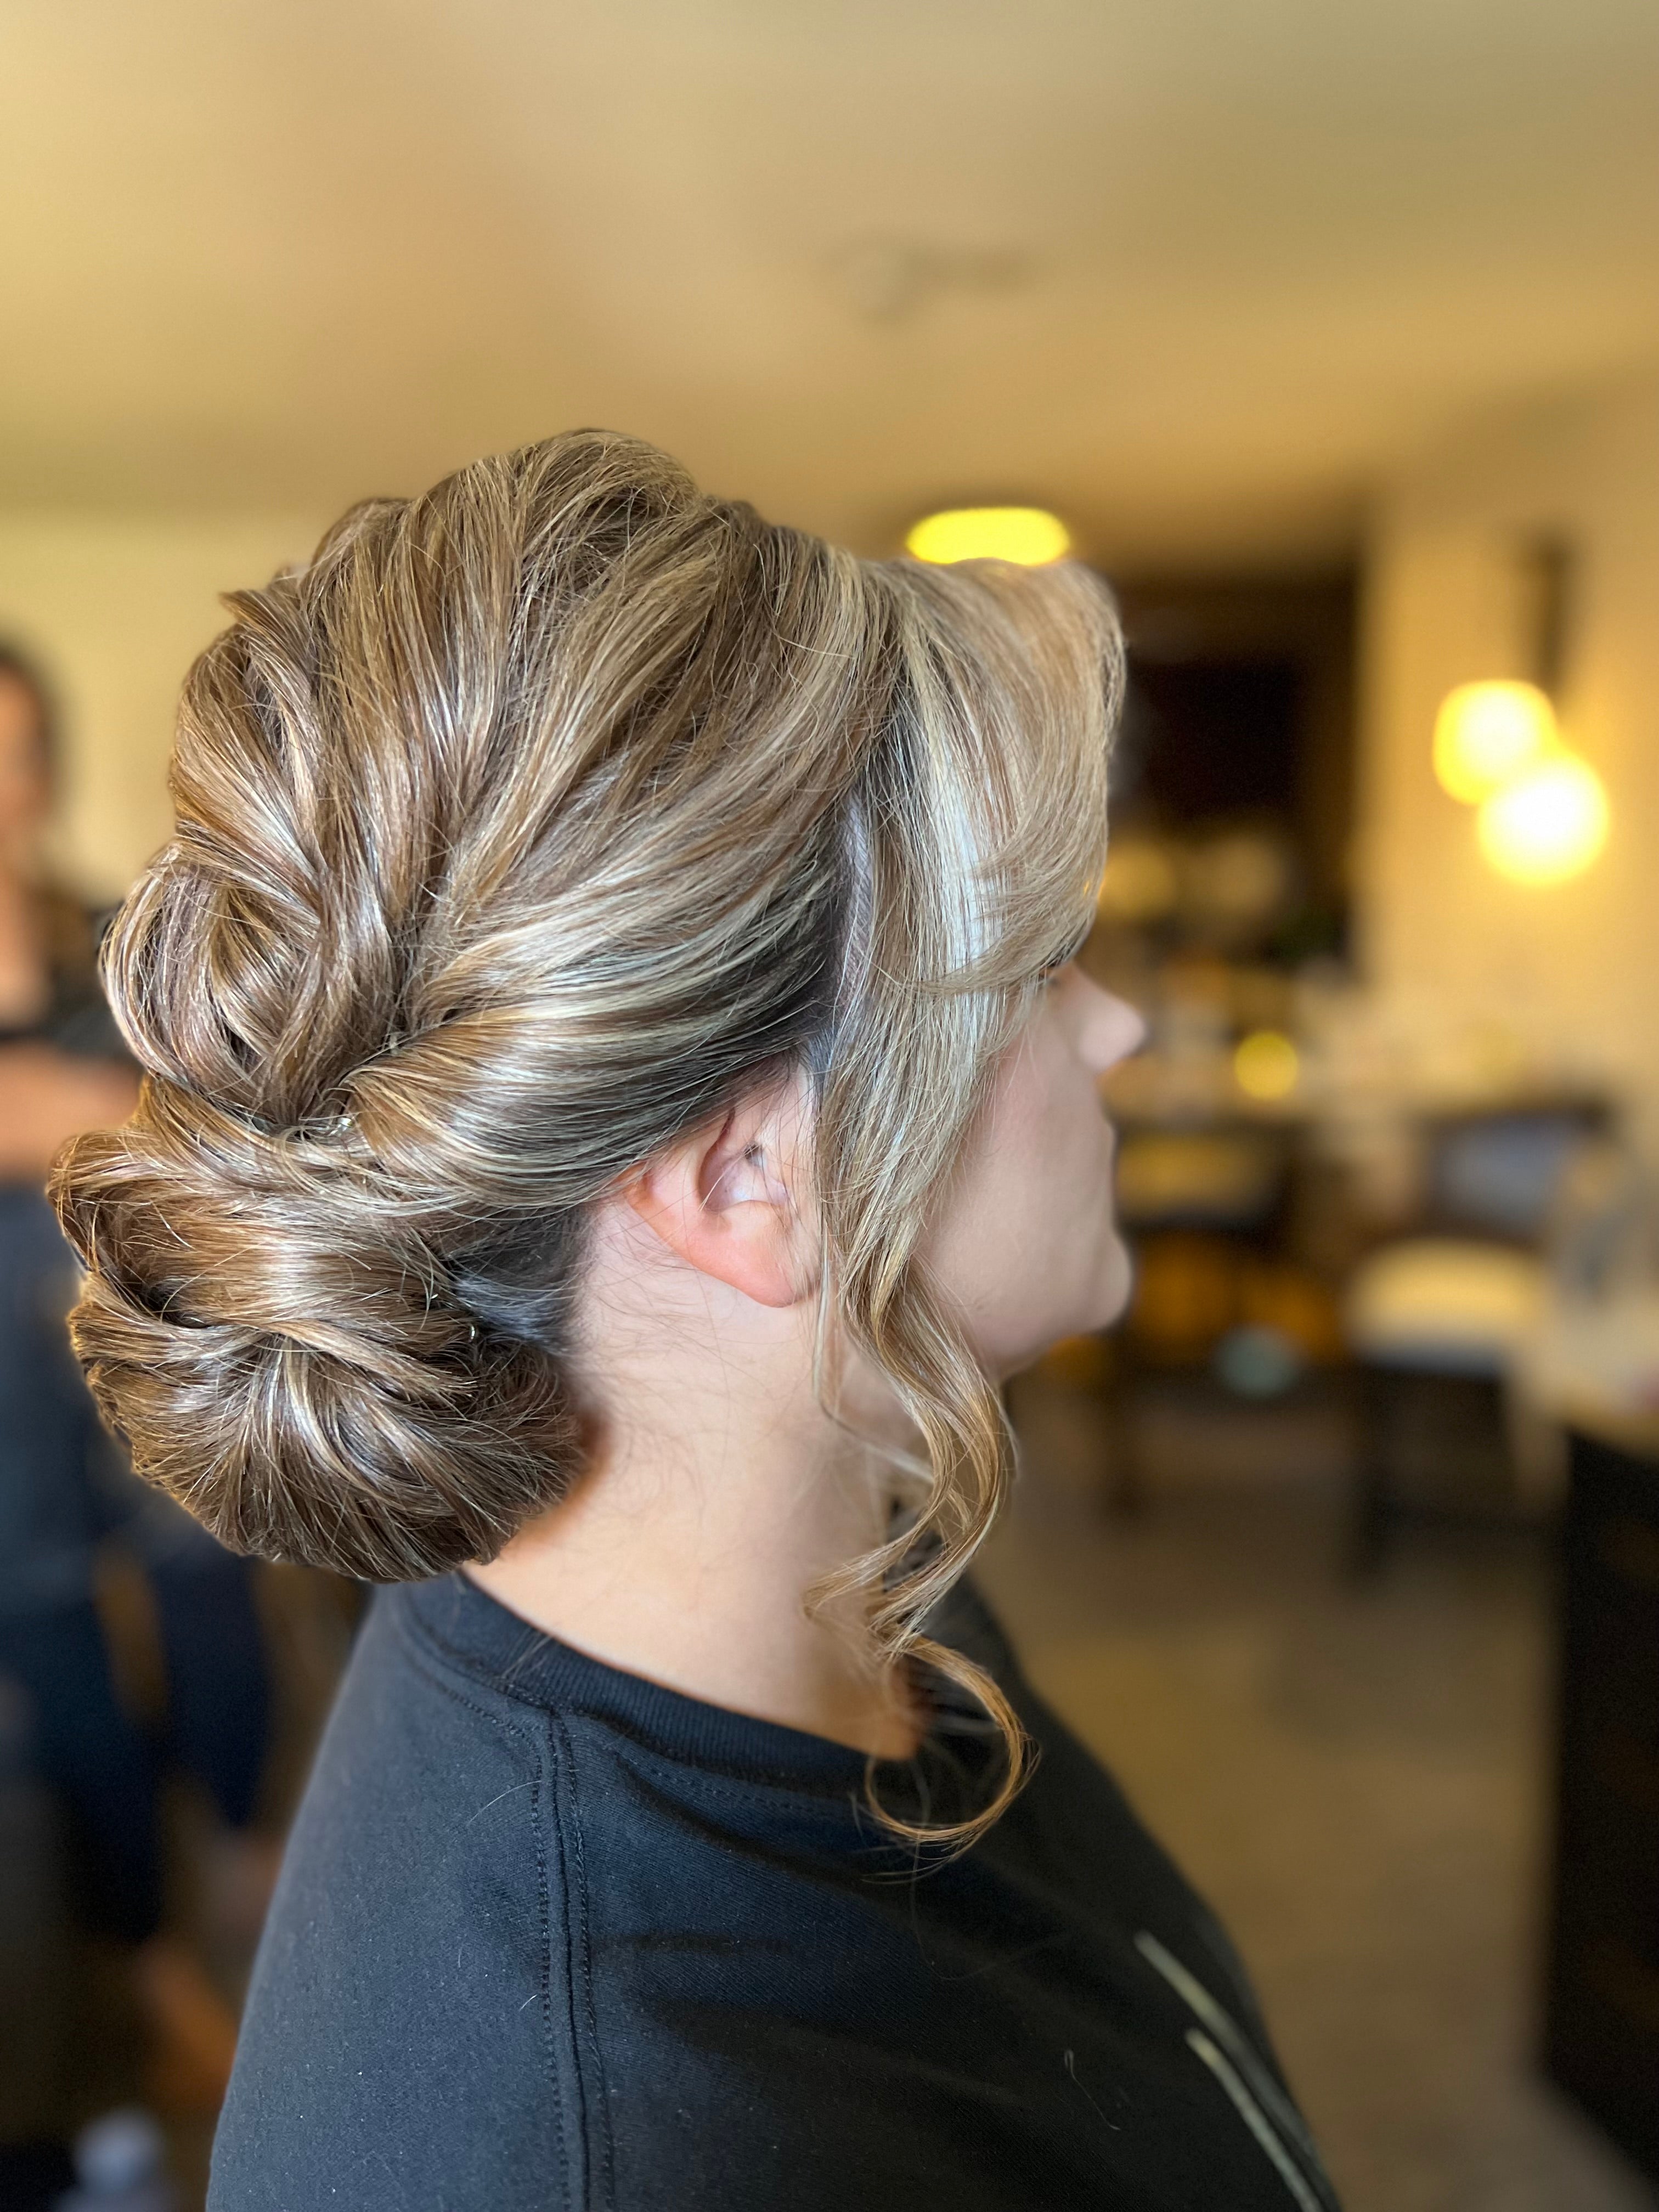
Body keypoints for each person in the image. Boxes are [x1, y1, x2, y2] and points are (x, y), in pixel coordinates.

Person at [54, 436, 1342, 2210]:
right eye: (1040, 964)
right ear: (749, 1177)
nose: (1113, 1035)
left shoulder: (851, 1590)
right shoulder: (635, 2146)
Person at [0, 645, 271, 2153]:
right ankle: (159, 1988)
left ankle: (251, 1872)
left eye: (21, 752)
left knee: (217, 1608)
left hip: (144, 1350)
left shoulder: (114, 942)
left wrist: (80, 1112)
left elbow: (209, 1113)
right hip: (1, 1417)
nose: (2, 790)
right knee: (64, 1682)